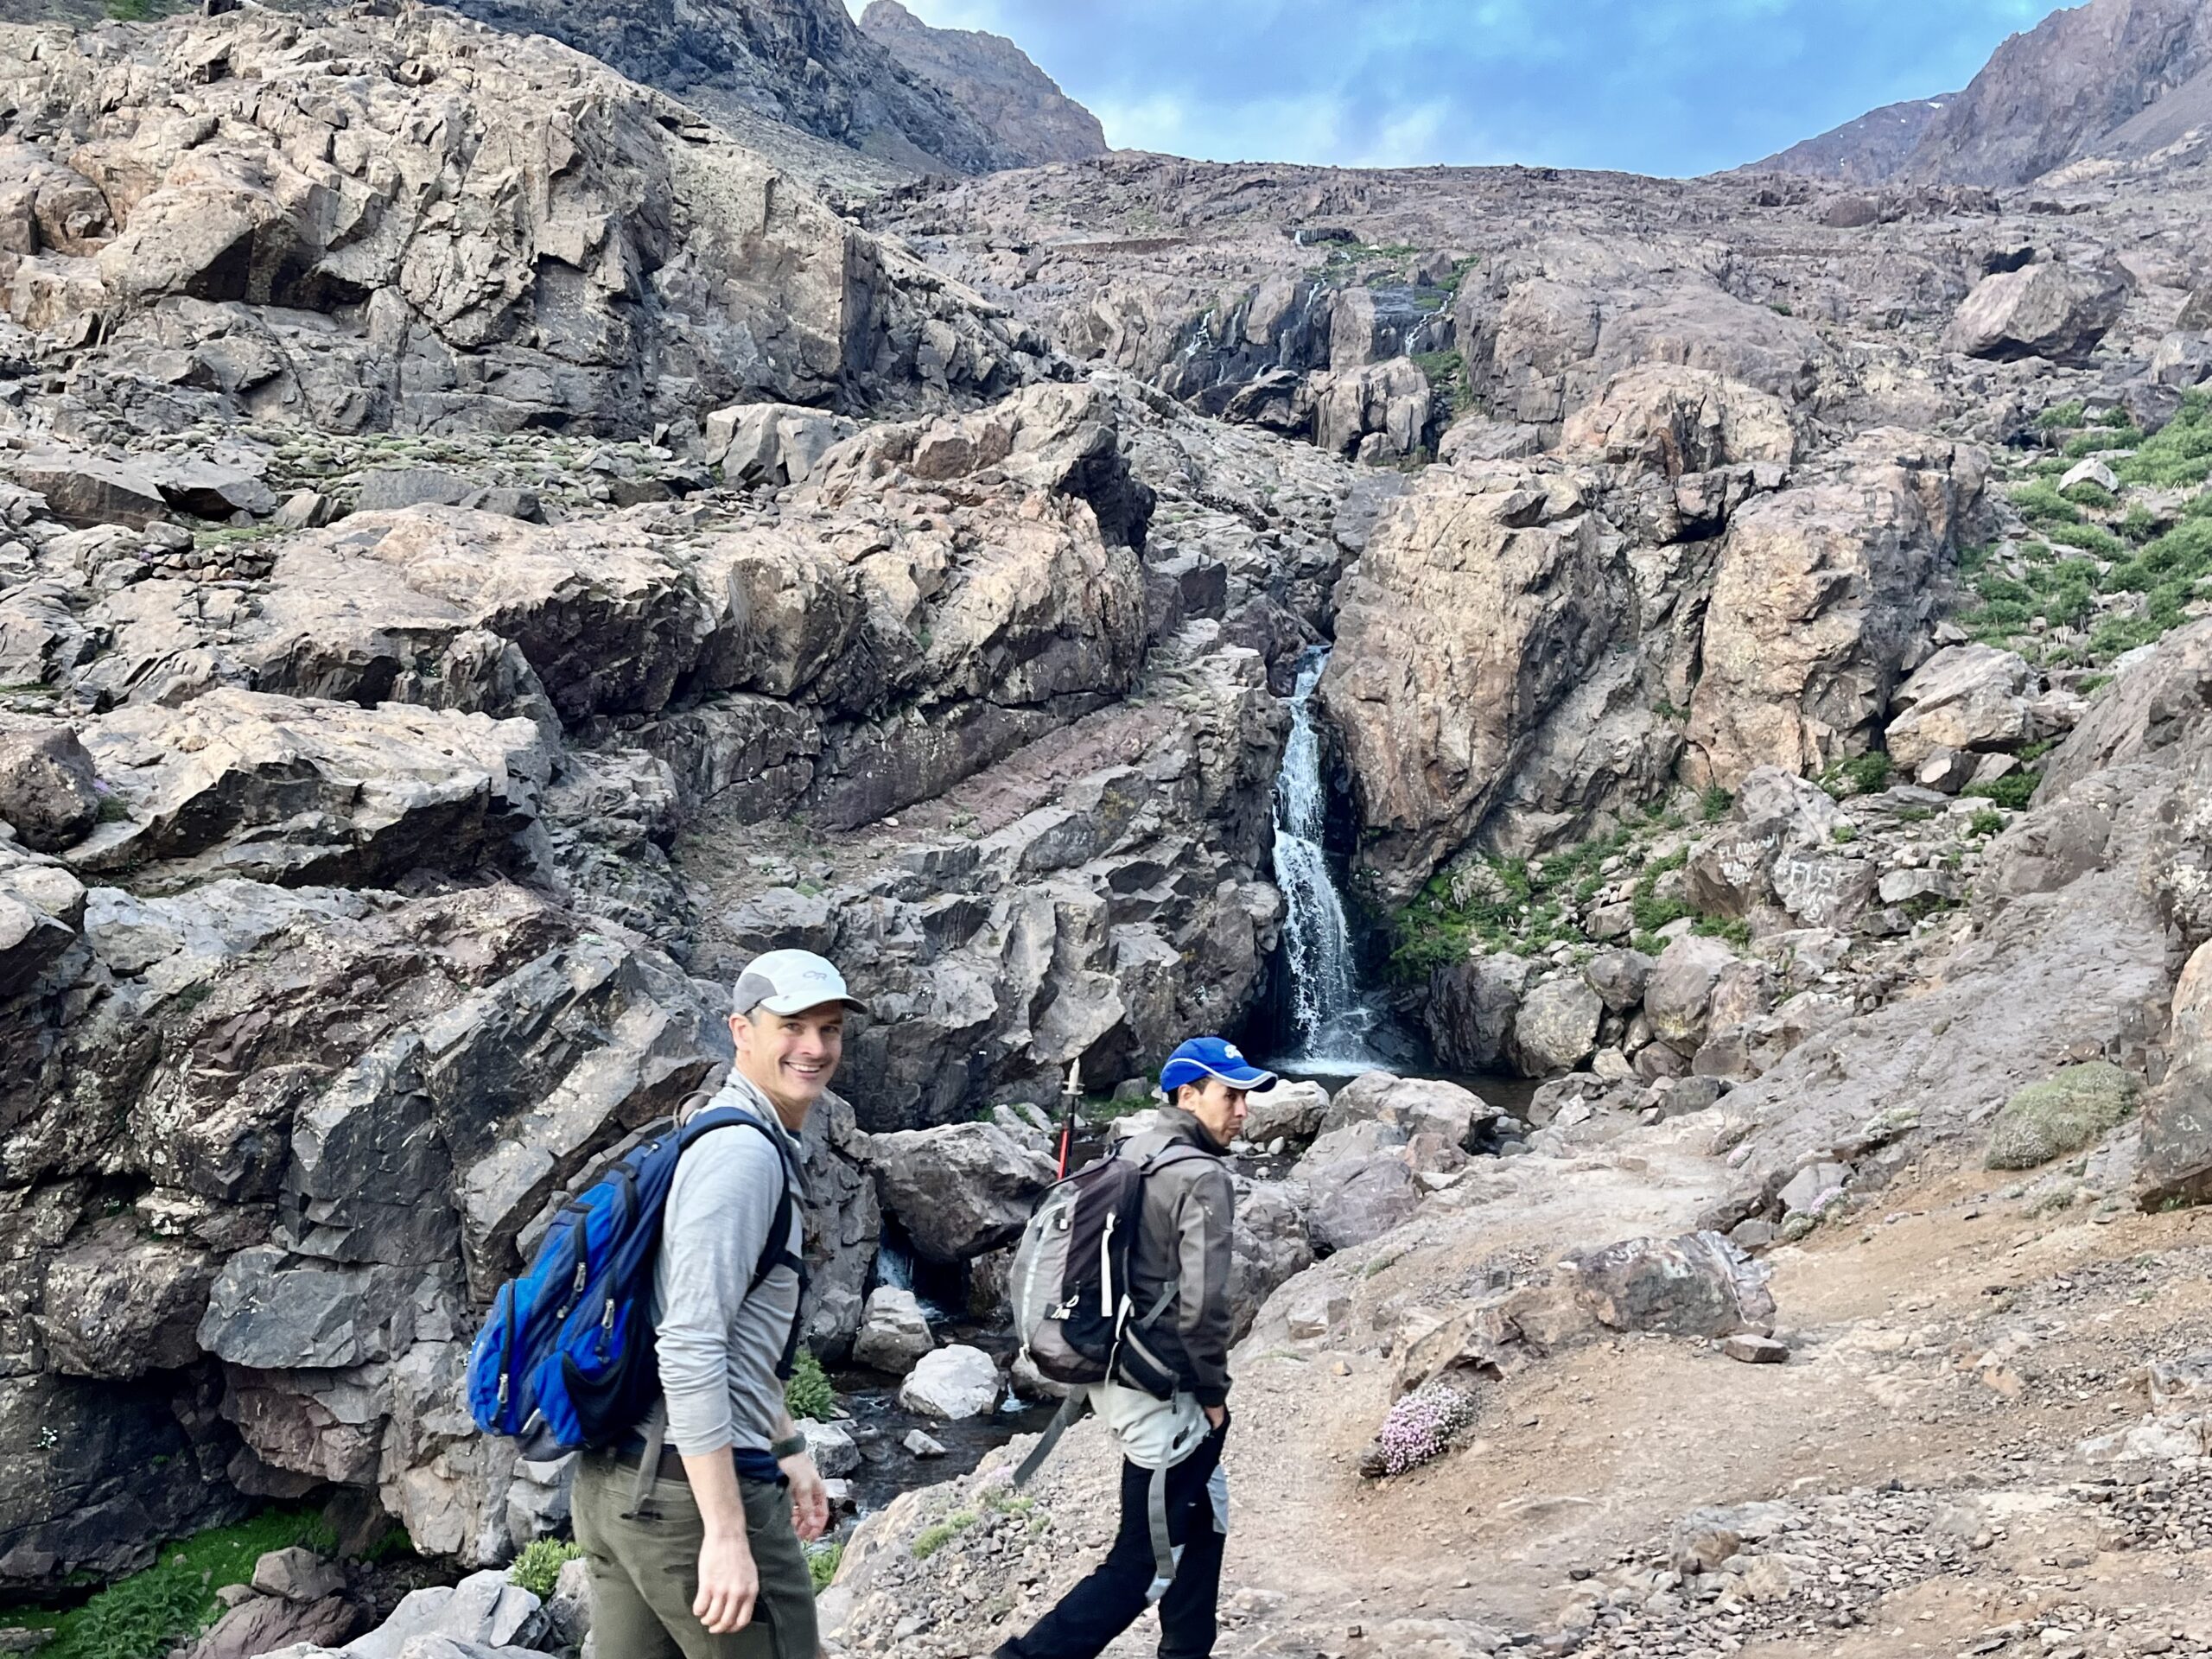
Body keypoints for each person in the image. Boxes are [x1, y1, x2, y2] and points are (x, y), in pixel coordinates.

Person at [571, 947, 867, 1658]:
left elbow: (736, 1341)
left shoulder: (712, 1126)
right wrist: (728, 1535)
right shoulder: (743, 1157)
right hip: (688, 1497)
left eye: (829, 1030)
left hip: (621, 1484)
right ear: (741, 1030)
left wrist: (788, 1444)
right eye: (793, 1026)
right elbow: (692, 1342)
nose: (815, 1047)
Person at [995, 1035, 1273, 1659]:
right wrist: (1213, 1393)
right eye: (1231, 1096)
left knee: (1203, 1517)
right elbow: (1203, 1309)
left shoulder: (1133, 1150)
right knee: (1140, 1563)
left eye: (1245, 1097)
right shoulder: (1201, 1178)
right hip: (1159, 1388)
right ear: (1188, 1094)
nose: (1243, 1112)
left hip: (1111, 1364)